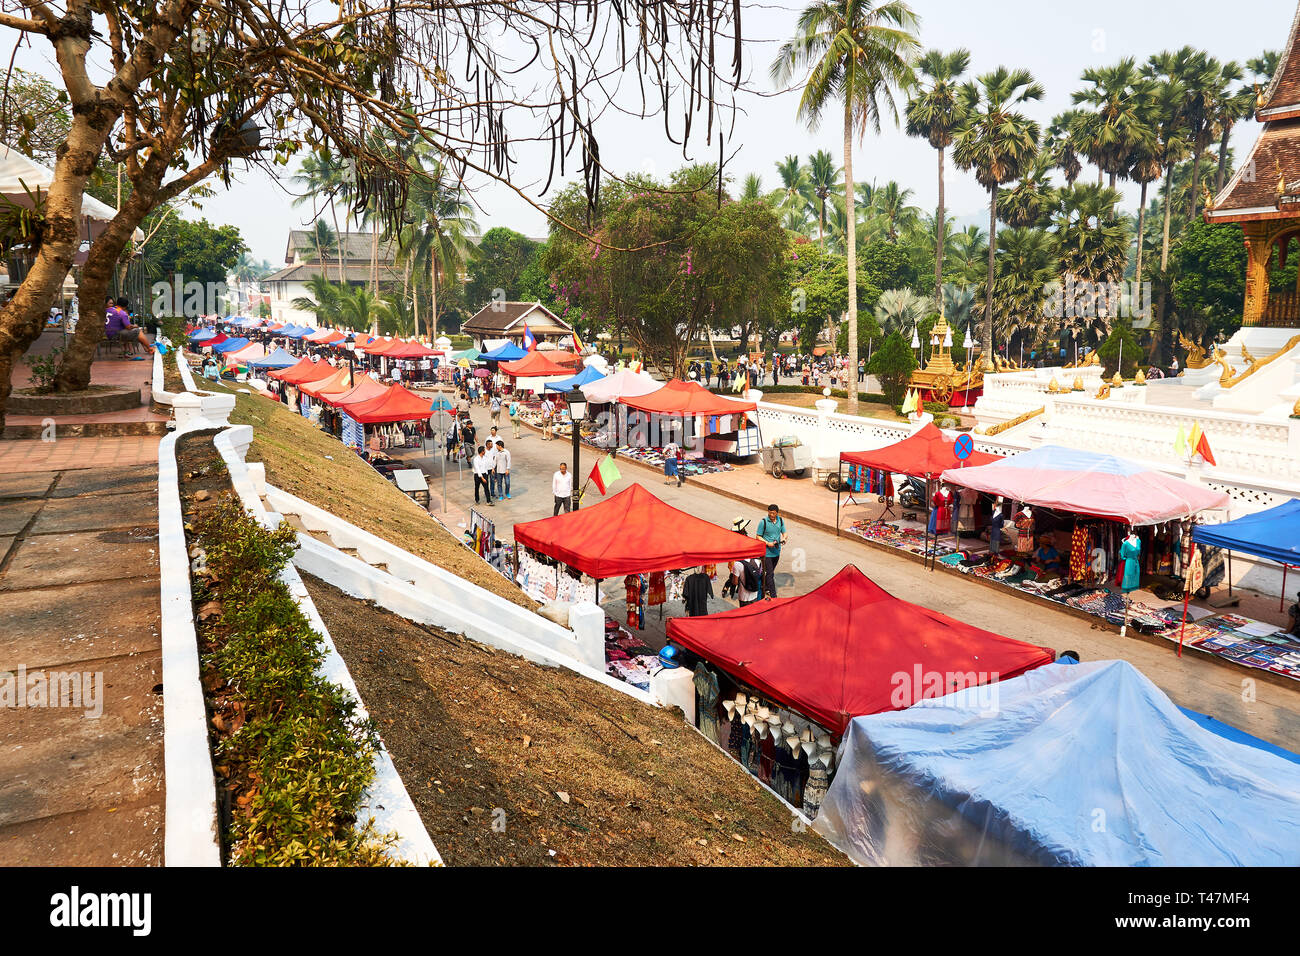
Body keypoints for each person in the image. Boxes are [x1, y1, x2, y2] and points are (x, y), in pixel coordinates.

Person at [755, 503, 787, 600]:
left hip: (776, 552)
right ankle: (773, 595)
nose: (771, 515)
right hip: (767, 552)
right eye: (769, 513)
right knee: (770, 574)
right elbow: (758, 536)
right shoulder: (763, 522)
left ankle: (765, 587)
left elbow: (784, 532)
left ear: (777, 513)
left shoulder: (780, 521)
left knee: (770, 572)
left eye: (773, 513)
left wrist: (784, 538)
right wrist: (767, 543)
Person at [727, 518, 761, 607]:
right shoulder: (738, 538)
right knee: (739, 577)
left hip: (740, 562)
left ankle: (734, 587)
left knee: (738, 577)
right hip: (739, 561)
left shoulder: (740, 536)